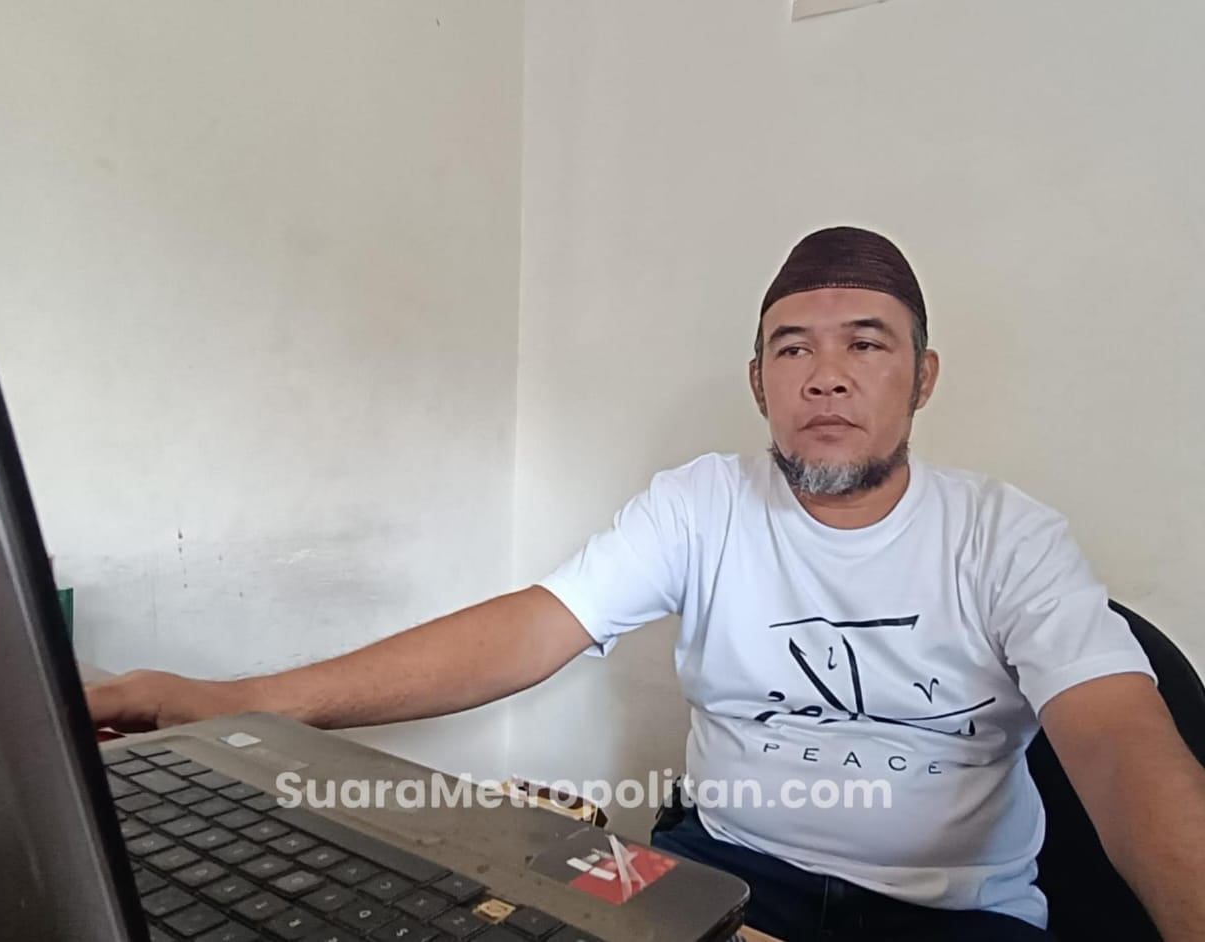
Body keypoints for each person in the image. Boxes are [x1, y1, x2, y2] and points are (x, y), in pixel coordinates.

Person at [88, 227, 1205, 942]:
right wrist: (238, 702)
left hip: (951, 921)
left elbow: (1118, 744)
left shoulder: (1008, 537)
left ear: (923, 377)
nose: (824, 375)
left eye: (865, 345)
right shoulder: (700, 502)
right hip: (717, 875)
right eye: (792, 348)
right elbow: (532, 628)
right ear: (758, 380)